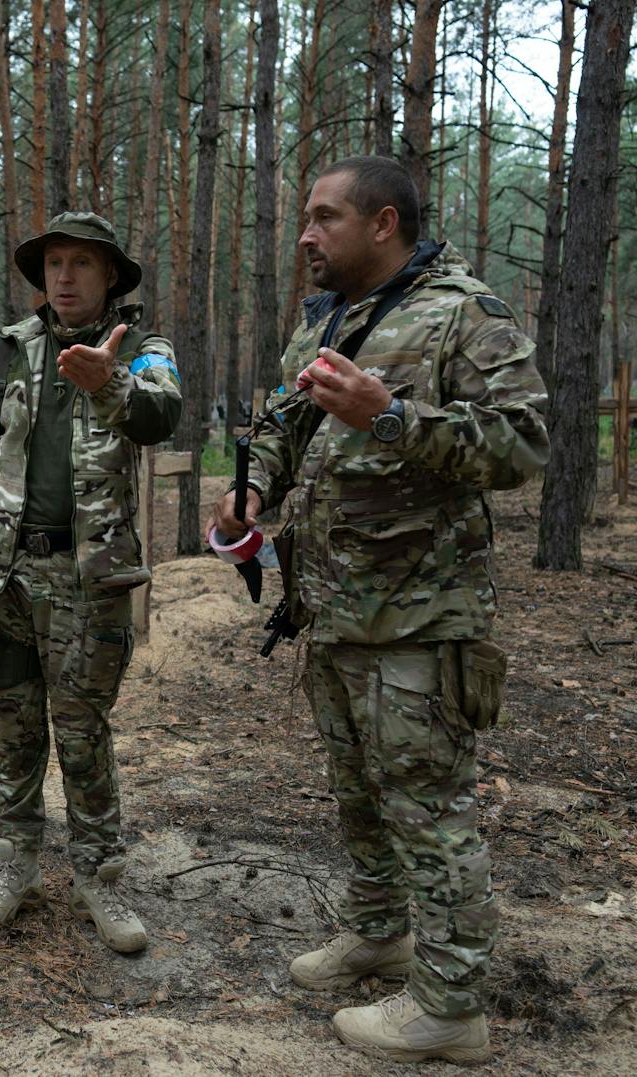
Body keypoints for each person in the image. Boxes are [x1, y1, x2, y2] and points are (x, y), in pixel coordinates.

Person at [210, 156, 547, 1063]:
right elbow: (284, 423)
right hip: (334, 611)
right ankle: (377, 930)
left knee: (429, 808)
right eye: (305, 220)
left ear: (384, 222)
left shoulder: (463, 313)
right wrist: (252, 491)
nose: (307, 237)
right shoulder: (322, 318)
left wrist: (390, 413)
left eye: (324, 219)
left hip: (424, 620)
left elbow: (524, 446)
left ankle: (450, 1005)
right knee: (358, 793)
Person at [0, 211, 181, 953]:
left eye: (81, 265)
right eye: (54, 264)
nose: (63, 277)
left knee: (82, 731)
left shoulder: (142, 350)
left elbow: (160, 414)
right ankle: (18, 865)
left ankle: (101, 875)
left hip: (87, 578)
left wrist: (111, 385)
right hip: (3, 575)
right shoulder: (8, 351)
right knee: (13, 727)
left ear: (109, 278)